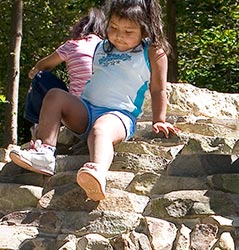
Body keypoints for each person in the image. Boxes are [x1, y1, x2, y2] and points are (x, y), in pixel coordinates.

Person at [9, 0, 178, 201]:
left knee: (101, 130)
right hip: (86, 111)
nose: (119, 36)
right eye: (113, 28)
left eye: (128, 32)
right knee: (55, 95)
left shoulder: (153, 51)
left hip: (118, 116)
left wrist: (159, 120)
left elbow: (158, 89)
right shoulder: (102, 47)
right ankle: (45, 152)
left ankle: (97, 171)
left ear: (145, 30)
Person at [25, 8, 105, 136]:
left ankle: (38, 125)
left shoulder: (74, 45)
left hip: (76, 111)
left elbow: (42, 66)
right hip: (103, 110)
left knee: (40, 76)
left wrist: (33, 72)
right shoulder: (108, 48)